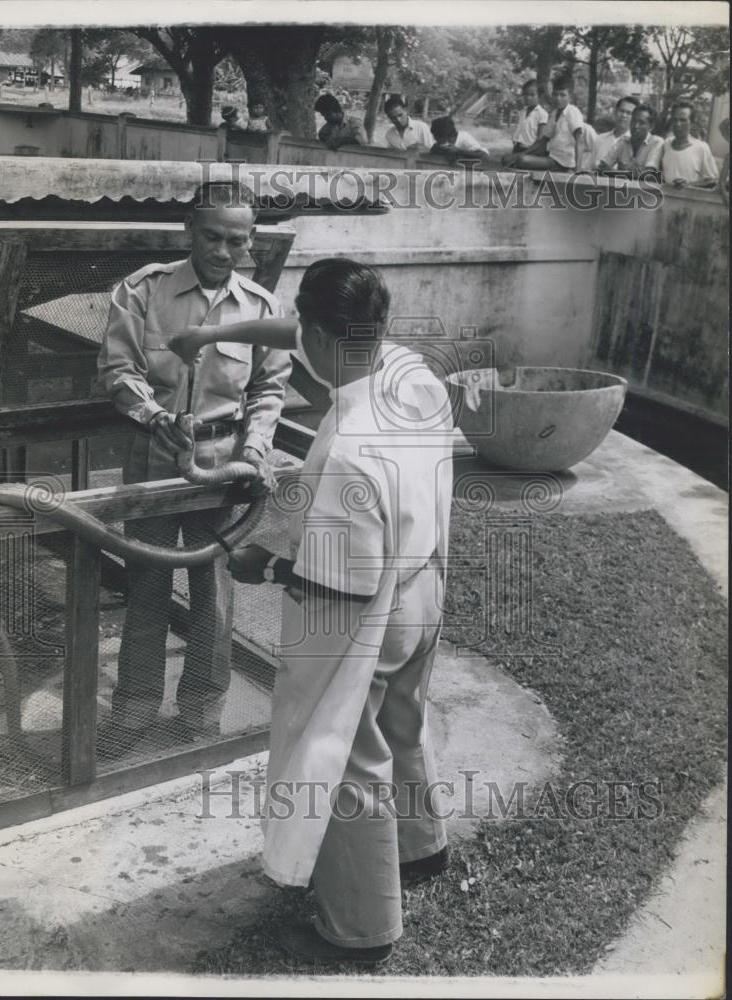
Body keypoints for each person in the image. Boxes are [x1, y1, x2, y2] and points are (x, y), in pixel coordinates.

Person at [171, 259, 455, 966]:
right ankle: (421, 850)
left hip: (368, 610)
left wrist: (263, 563)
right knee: (401, 721)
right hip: (424, 588)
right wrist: (210, 331)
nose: (296, 340)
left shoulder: (352, 450)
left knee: (344, 754)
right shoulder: (409, 373)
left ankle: (361, 929)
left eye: (304, 330)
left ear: (324, 336)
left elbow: (337, 590)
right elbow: (292, 328)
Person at [96, 180, 292, 757]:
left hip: (223, 468)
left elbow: (268, 390)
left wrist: (255, 450)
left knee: (213, 595)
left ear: (250, 240)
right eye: (212, 236)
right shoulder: (142, 291)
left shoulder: (261, 307)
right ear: (189, 231)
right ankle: (132, 711)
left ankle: (201, 713)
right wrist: (155, 415)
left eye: (237, 239)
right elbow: (117, 368)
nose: (223, 251)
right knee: (148, 585)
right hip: (154, 459)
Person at [513, 77, 585, 173]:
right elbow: (543, 140)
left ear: (570, 96)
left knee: (521, 160)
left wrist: (578, 171)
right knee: (513, 159)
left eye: (562, 95)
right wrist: (523, 153)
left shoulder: (572, 112)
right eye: (555, 95)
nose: (558, 98)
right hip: (552, 158)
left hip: (563, 163)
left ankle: (567, 170)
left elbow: (579, 141)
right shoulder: (555, 113)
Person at [660, 101, 720, 189]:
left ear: (691, 123)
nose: (678, 124)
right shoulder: (666, 144)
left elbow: (713, 180)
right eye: (675, 120)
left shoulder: (701, 147)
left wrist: (689, 185)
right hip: (667, 199)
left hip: (690, 200)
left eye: (683, 120)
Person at [598, 103, 664, 178]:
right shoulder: (622, 142)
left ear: (651, 126)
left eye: (641, 123)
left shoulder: (656, 142)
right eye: (633, 121)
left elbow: (648, 175)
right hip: (623, 188)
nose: (636, 126)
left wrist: (614, 172)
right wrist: (630, 174)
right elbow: (602, 168)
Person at [583, 96, 638, 172]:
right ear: (615, 112)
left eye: (629, 113)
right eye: (621, 111)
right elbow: (588, 168)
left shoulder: (635, 143)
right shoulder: (600, 139)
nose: (624, 115)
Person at [504, 79, 549, 164]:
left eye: (532, 95)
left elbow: (540, 140)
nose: (528, 97)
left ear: (539, 96)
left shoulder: (542, 114)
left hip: (531, 150)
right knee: (505, 159)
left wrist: (525, 153)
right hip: (518, 148)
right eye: (526, 94)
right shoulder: (523, 112)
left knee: (519, 160)